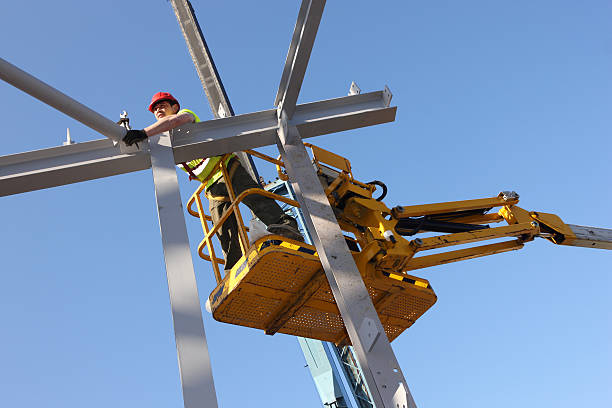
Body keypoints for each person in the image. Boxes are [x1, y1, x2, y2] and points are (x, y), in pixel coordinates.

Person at [123, 92, 303, 271]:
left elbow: (172, 122)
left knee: (254, 197)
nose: (158, 109)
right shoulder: (163, 142)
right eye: (155, 108)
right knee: (221, 226)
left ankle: (287, 225)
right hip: (211, 184)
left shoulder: (185, 116)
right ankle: (235, 266)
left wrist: (143, 133)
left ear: (175, 107)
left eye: (162, 105)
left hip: (225, 166)